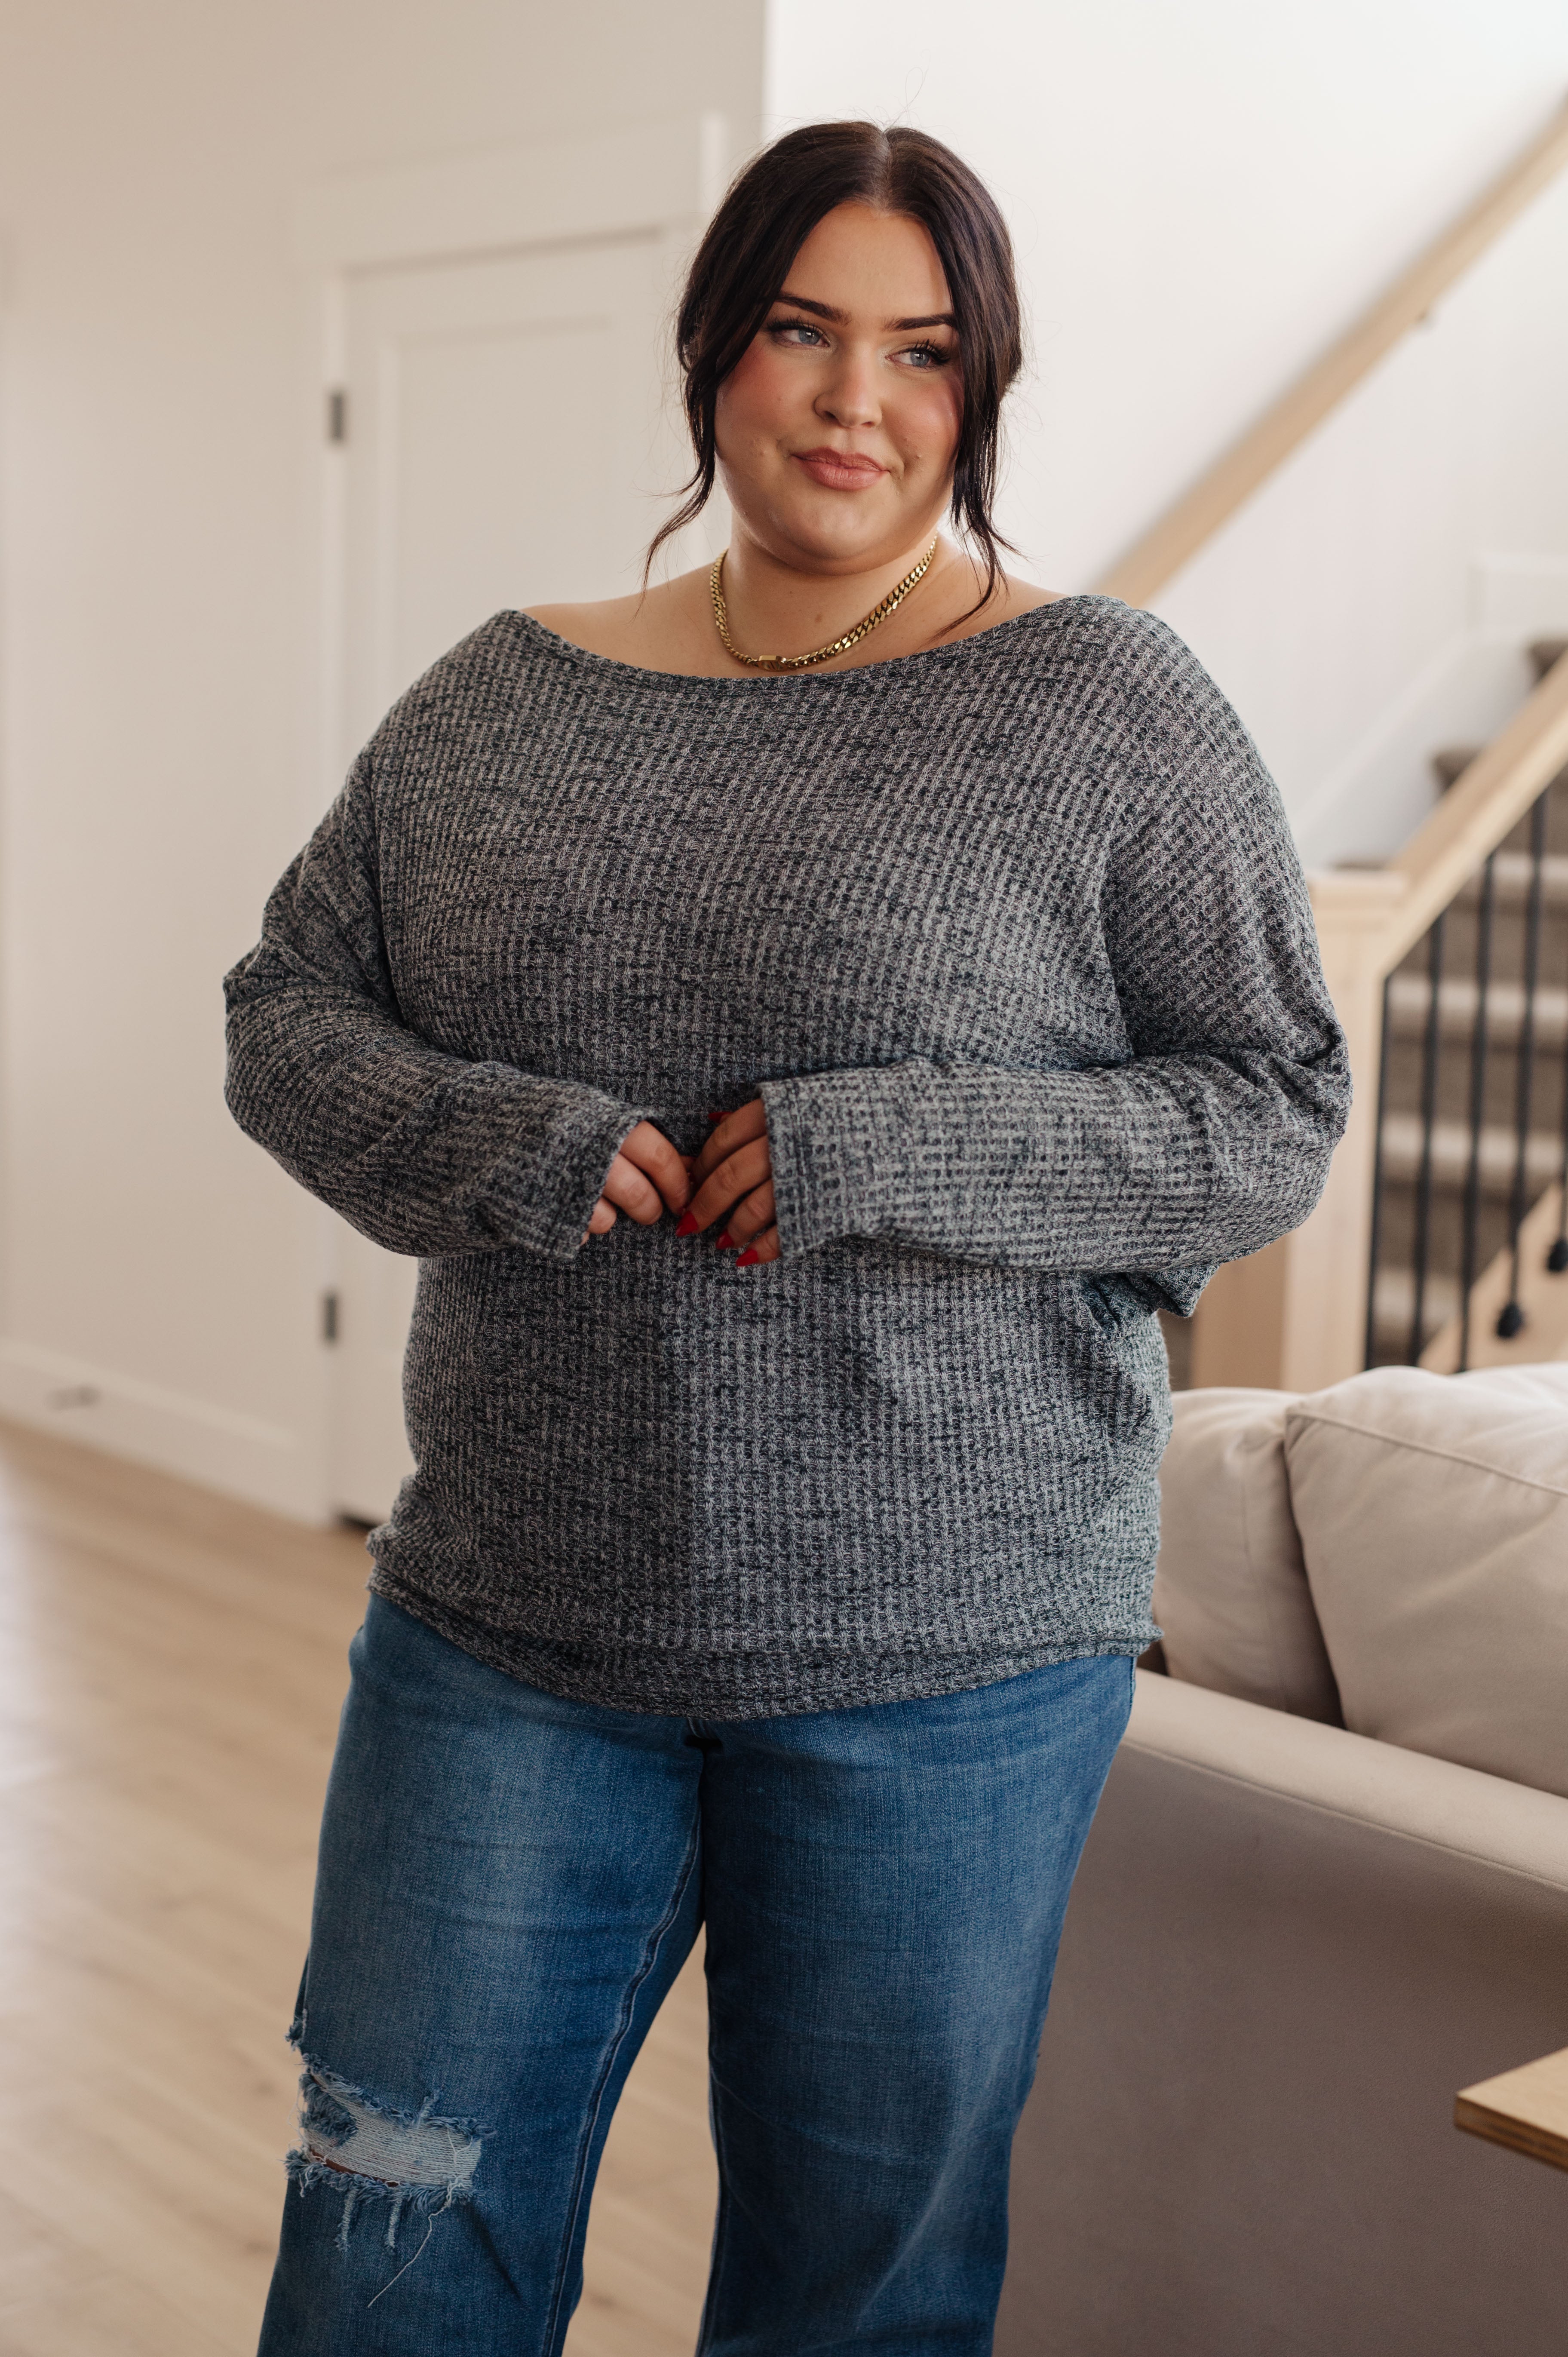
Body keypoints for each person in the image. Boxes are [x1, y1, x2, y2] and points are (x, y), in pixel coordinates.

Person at [228, 118, 1349, 2357]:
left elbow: (1268, 1108)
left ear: (980, 392)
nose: (859, 400)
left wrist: (885, 1149)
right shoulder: (499, 704)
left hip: (951, 1667)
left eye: (925, 354)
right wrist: (506, 1138)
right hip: (511, 1635)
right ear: (713, 356)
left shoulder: (1109, 709)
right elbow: (289, 1022)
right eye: (803, 333)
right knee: (384, 2266)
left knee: (858, 2303)